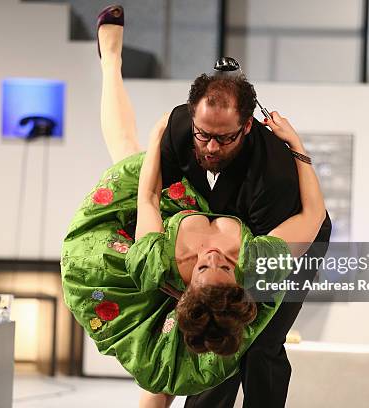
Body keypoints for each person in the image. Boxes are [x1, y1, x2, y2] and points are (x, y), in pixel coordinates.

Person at [61, 5, 328, 408]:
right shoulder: (185, 132)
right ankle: (111, 61)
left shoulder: (271, 179)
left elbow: (311, 218)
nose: (214, 255)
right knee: (127, 154)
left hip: (282, 222)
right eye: (204, 135)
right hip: (206, 214)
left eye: (206, 265)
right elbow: (147, 193)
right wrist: (156, 142)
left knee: (257, 346)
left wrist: (296, 152)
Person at [159, 33, 332, 408]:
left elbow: (269, 255)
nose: (210, 147)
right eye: (202, 135)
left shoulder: (273, 174)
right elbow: (165, 203)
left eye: (224, 139)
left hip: (291, 234)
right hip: (220, 239)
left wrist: (211, 284)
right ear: (191, 116)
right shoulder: (177, 129)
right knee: (202, 326)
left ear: (248, 127)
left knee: (257, 338)